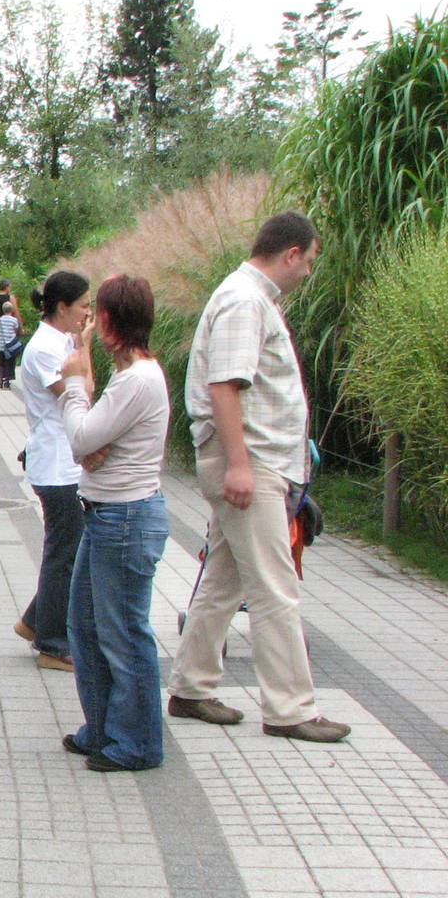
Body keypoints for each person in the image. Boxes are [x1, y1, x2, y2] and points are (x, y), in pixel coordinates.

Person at [167, 212, 350, 742]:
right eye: (309, 262)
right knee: (275, 588)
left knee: (223, 581)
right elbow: (226, 386)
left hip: (253, 462)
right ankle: (291, 710)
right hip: (252, 464)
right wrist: (241, 466)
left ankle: (191, 687)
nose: (308, 273)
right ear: (291, 252)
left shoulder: (248, 296)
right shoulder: (246, 300)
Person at [53, 275, 171, 771]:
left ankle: (138, 744)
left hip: (125, 519)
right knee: (84, 627)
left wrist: (75, 384)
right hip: (106, 516)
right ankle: (102, 728)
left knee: (123, 634)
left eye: (92, 312)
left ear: (106, 320)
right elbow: (91, 443)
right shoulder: (129, 379)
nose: (86, 320)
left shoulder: (139, 379)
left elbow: (82, 439)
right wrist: (90, 438)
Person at [14, 270, 92, 671]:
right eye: (82, 306)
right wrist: (87, 348)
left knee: (70, 548)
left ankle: (34, 620)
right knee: (66, 553)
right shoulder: (46, 347)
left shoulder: (60, 341)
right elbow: (81, 393)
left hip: (66, 462)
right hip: (55, 465)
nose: (86, 313)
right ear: (62, 307)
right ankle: (52, 643)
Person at [0, 296, 24, 389]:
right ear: (12, 310)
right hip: (11, 346)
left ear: (3, 310)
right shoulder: (14, 320)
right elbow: (16, 329)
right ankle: (7, 380)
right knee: (10, 363)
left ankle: (1, 378)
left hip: (1, 346)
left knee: (2, 363)